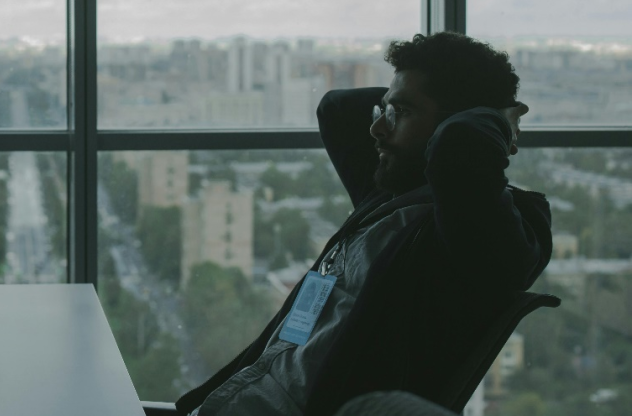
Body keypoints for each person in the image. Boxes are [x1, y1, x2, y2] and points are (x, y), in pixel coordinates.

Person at [175, 32, 553, 416]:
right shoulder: (389, 194)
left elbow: (459, 147)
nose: (378, 129)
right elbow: (337, 108)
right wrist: (401, 102)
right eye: (385, 111)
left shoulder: (488, 233)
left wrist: (496, 117)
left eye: (400, 113)